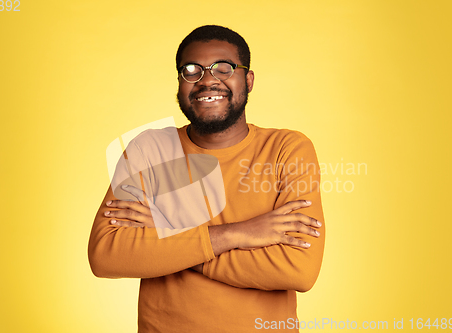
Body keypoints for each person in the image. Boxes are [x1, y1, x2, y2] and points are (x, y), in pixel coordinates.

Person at [88, 25, 325, 333]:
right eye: (191, 70)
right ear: (179, 83)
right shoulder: (150, 150)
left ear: (248, 81)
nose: (207, 80)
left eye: (223, 68)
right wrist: (236, 234)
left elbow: (298, 270)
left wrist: (170, 233)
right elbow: (107, 254)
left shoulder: (287, 149)